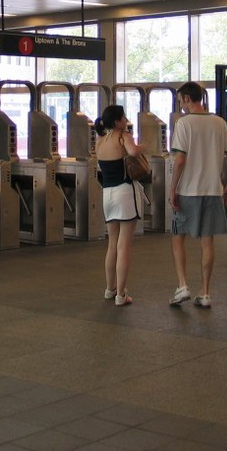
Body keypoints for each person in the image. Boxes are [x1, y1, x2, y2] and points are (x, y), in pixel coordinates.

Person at [168, 81, 227, 309]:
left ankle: (182, 285)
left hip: (187, 190)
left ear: (187, 98)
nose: (181, 105)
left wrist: (172, 188)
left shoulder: (183, 123)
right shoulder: (219, 122)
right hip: (212, 190)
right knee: (208, 242)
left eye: (181, 101)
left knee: (178, 237)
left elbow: (179, 160)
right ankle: (205, 292)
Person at [94, 104, 145, 306]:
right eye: (123, 117)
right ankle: (121, 294)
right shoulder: (122, 136)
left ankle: (110, 289)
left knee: (112, 244)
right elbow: (133, 152)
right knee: (124, 246)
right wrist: (144, 147)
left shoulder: (100, 141)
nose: (126, 119)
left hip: (107, 193)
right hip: (124, 191)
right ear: (117, 122)